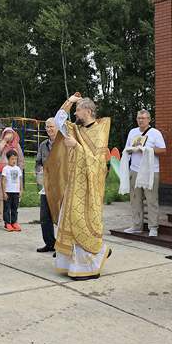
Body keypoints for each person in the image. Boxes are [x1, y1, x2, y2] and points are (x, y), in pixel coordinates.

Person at [45, 93, 112, 280]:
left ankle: (93, 259)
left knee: (82, 221)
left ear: (88, 111)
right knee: (71, 219)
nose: (75, 113)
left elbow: (98, 163)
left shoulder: (99, 131)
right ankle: (76, 263)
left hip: (89, 187)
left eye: (78, 109)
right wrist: (70, 101)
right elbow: (59, 120)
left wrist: (76, 146)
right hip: (74, 182)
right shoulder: (76, 129)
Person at [121, 109, 166, 237]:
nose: (141, 120)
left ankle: (153, 227)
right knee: (135, 199)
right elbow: (127, 149)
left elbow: (163, 150)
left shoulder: (155, 133)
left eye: (144, 118)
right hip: (134, 170)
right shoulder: (132, 132)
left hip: (151, 171)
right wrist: (131, 150)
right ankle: (136, 225)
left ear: (149, 119)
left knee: (151, 200)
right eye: (139, 118)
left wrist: (147, 150)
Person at [35, 117, 58, 252]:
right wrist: (39, 170)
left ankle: (62, 246)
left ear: (57, 127)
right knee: (45, 216)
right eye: (47, 127)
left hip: (61, 185)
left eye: (52, 126)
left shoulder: (62, 143)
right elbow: (38, 162)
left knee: (61, 217)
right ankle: (50, 243)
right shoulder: (43, 145)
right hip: (46, 185)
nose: (49, 129)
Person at [0, 127, 25, 220]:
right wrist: (4, 141)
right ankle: (0, 213)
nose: (9, 135)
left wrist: (19, 169)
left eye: (10, 133)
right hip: (0, 171)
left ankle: (10, 213)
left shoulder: (16, 145)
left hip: (13, 173)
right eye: (7, 133)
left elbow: (21, 159)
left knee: (10, 193)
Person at [2, 150, 23, 232]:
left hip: (16, 192)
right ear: (8, 159)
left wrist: (21, 189)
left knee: (15, 208)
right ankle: (7, 223)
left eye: (15, 159)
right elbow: (3, 181)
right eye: (12, 159)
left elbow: (20, 179)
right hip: (8, 192)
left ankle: (14, 222)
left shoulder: (18, 169)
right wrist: (4, 192)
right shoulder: (5, 168)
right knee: (7, 208)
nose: (14, 161)